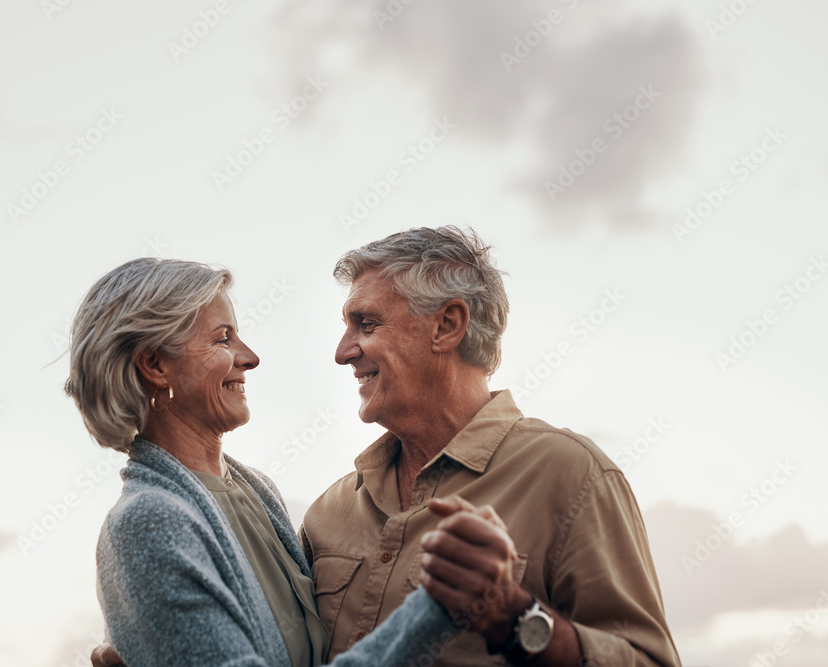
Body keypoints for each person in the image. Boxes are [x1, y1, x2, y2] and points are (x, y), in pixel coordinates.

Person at [66, 258, 500, 667]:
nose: (250, 357)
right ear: (155, 364)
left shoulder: (257, 491)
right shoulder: (147, 522)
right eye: (223, 338)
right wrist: (437, 606)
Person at [302, 226, 681, 665]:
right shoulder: (325, 514)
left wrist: (514, 618)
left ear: (447, 326)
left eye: (365, 324)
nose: (342, 351)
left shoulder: (572, 475)